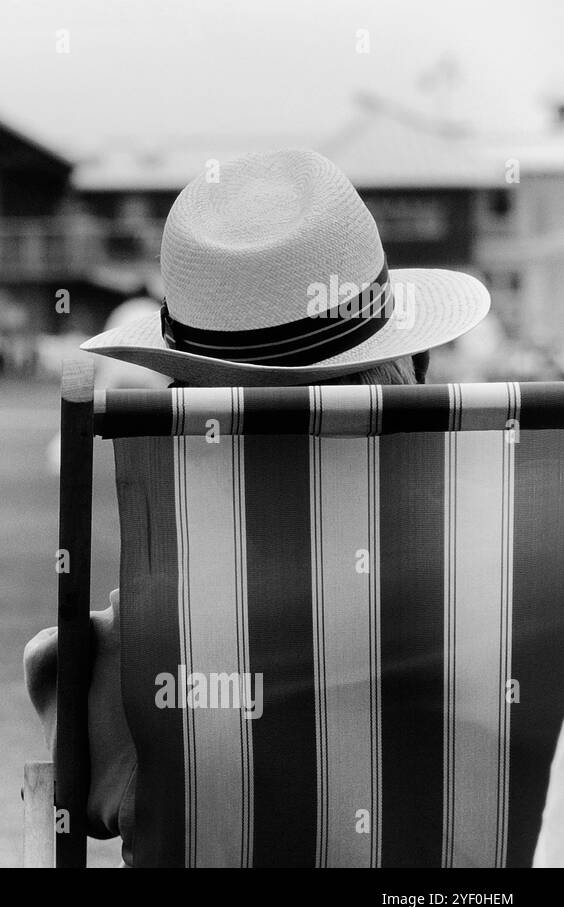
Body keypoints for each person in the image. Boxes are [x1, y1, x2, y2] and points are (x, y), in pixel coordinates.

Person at [24, 148, 491, 863]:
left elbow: (79, 764)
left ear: (184, 417)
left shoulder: (129, 656)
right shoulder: (513, 612)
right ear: (418, 375)